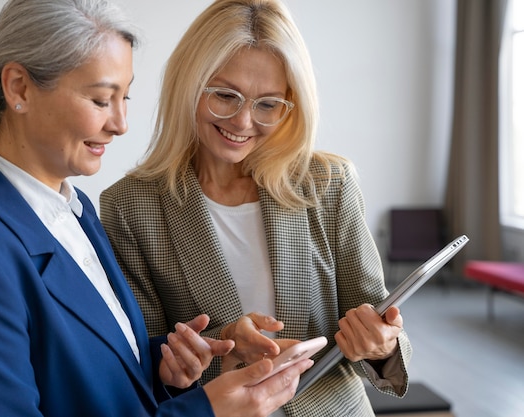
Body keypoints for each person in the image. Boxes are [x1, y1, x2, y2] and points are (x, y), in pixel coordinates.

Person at [0, 0, 314, 416]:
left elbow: (83, 379)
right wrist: (206, 411)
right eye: (101, 100)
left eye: (125, 97)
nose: (120, 123)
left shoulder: (74, 210)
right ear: (19, 88)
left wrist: (164, 365)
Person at [99, 0, 413, 415]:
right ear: (188, 84)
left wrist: (381, 344)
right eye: (225, 96)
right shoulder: (129, 206)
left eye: (267, 104)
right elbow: (144, 358)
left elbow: (375, 315)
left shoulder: (329, 184)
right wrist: (182, 363)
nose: (243, 122)